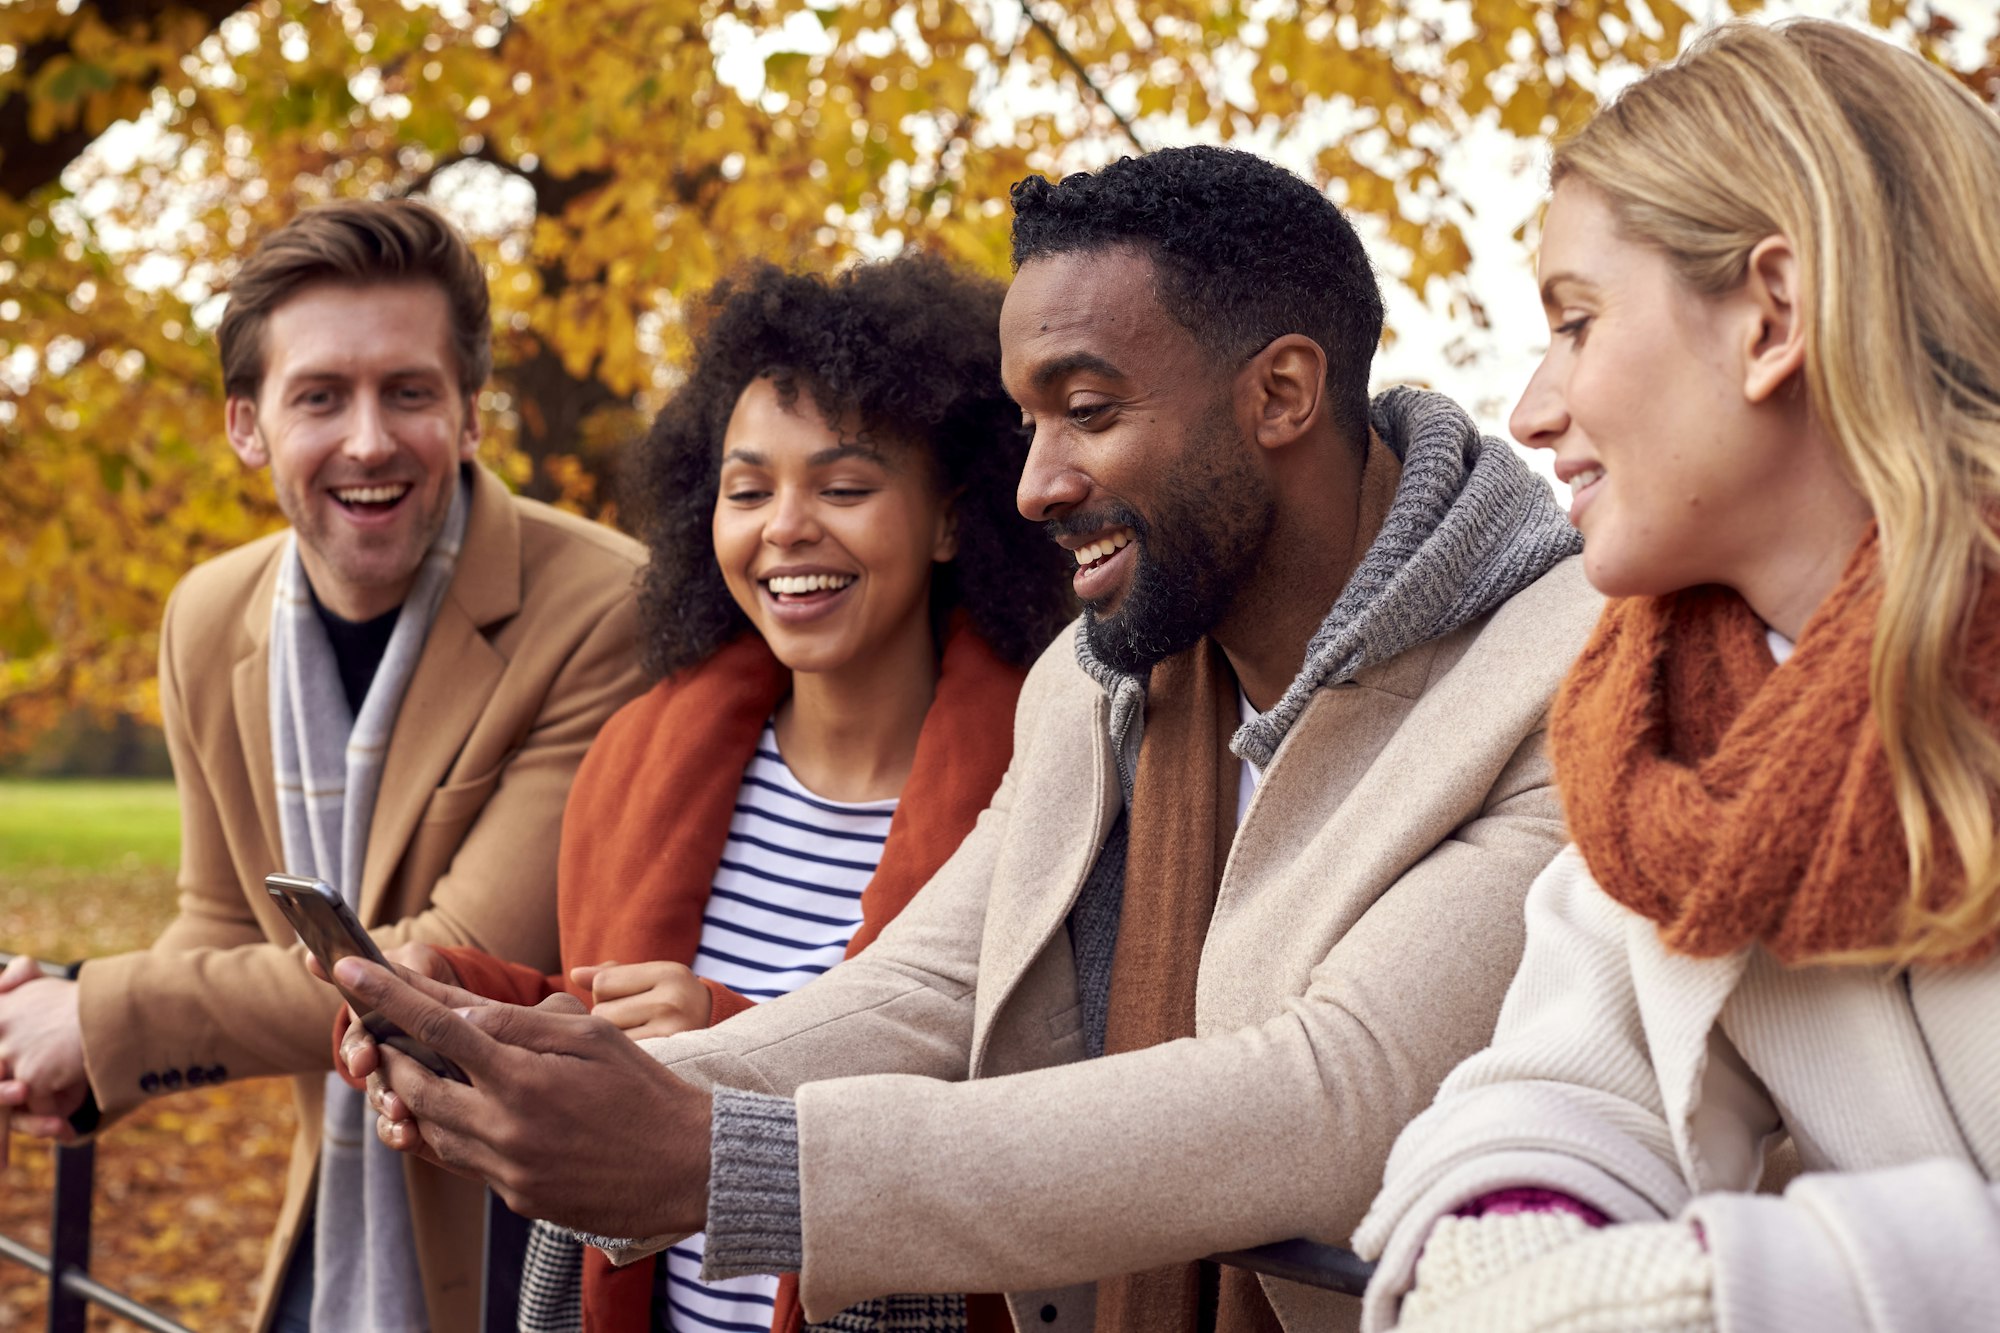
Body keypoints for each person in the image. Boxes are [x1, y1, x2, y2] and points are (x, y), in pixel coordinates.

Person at [339, 145, 1603, 1331]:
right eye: (1026, 421)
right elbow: (937, 984)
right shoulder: (1100, 675)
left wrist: (723, 1161)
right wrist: (552, 1072)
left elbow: (1329, 1100)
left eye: (1087, 411)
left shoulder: (1565, 677)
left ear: (1279, 393)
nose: (1034, 484)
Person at [1352, 20, 2000, 1333]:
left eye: (1576, 321)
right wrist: (1515, 1246)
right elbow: (1551, 1091)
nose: (1529, 409)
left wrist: (1727, 1295)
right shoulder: (1670, 735)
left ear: (1774, 315)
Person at [352, 255, 1072, 1333]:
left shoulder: (1047, 774)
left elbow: (1027, 1112)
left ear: (949, 521)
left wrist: (721, 1041)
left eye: (843, 486)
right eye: (747, 490)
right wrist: (453, 994)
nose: (783, 526)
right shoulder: (642, 756)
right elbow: (603, 1006)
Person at [0, 199, 648, 1333]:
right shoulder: (207, 618)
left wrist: (102, 1016)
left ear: (466, 414)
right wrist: (70, 1051)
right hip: (337, 1219)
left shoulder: (605, 607)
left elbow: (450, 971)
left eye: (408, 391)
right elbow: (217, 922)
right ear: (247, 426)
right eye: (319, 396)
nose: (367, 439)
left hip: (543, 1233)